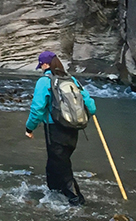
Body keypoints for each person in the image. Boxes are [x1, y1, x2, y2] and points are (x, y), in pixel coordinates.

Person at [25, 49, 96, 206]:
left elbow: (37, 108)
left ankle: (77, 200)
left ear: (45, 64)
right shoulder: (71, 79)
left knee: (61, 165)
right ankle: (53, 194)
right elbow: (90, 106)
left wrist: (29, 128)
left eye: (41, 65)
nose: (41, 68)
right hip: (73, 129)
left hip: (55, 129)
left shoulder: (45, 81)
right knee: (55, 162)